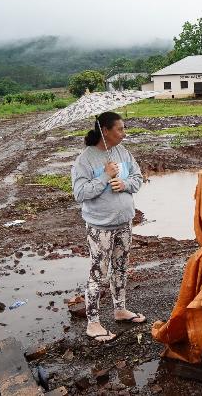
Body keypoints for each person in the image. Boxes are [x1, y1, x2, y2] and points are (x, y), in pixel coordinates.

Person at [71, 111, 145, 342]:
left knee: (121, 268)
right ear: (105, 131)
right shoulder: (85, 160)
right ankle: (93, 323)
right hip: (100, 227)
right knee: (98, 274)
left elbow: (138, 178)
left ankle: (120, 309)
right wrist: (104, 177)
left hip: (124, 222)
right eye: (120, 129)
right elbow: (80, 193)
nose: (124, 133)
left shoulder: (122, 152)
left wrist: (123, 183)